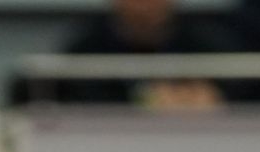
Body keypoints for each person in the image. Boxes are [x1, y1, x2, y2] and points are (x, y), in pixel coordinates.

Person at [15, 0, 227, 109]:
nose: (145, 5)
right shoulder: (86, 47)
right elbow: (32, 93)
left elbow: (244, 93)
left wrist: (217, 101)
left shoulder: (206, 43)